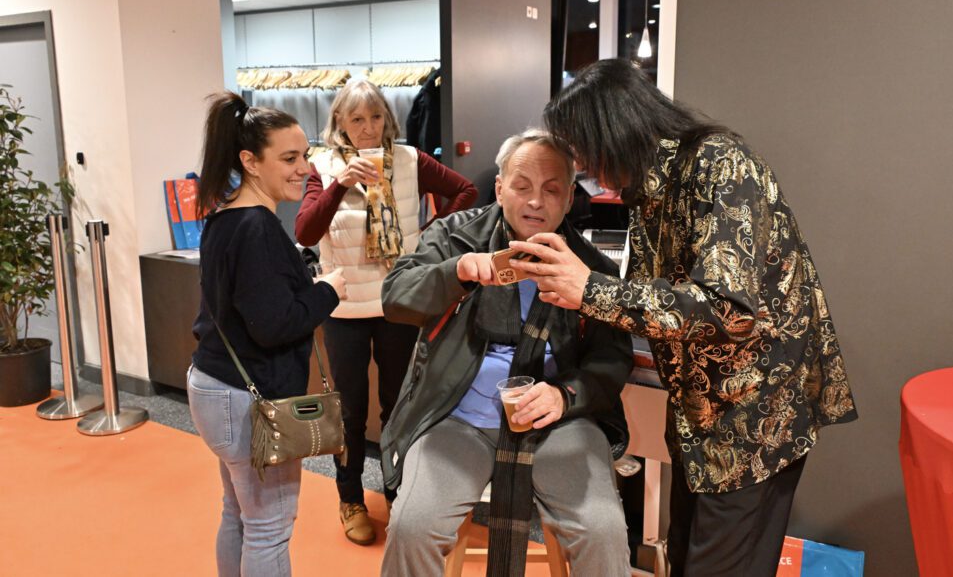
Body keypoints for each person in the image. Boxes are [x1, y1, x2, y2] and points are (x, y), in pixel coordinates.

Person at [511, 59, 858, 577]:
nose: (583, 165)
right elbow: (657, 297)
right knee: (688, 554)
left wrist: (591, 290)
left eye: (583, 148)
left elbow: (727, 307)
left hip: (754, 416)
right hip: (701, 416)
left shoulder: (720, 164)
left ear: (614, 130)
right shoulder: (649, 189)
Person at [377, 129, 634, 577]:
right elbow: (396, 298)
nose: (535, 201)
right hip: (456, 417)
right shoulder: (456, 236)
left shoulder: (592, 268)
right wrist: (455, 273)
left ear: (569, 199)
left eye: (551, 189)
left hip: (559, 424)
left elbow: (611, 359)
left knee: (603, 531)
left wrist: (565, 396)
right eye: (521, 186)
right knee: (412, 526)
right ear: (499, 189)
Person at [294, 79, 477, 545]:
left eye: (376, 117)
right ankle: (350, 497)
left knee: (400, 405)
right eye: (357, 119)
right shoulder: (323, 166)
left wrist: (431, 238)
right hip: (344, 308)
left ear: (387, 119)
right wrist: (341, 183)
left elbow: (465, 191)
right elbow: (306, 232)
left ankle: (399, 493)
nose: (368, 128)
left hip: (399, 301)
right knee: (350, 411)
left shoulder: (411, 160)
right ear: (340, 122)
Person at [188, 92, 348, 576]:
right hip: (246, 397)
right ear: (250, 161)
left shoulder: (224, 216)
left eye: (305, 155)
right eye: (289, 158)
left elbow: (250, 304)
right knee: (268, 527)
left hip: (217, 386)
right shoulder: (256, 227)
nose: (304, 169)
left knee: (239, 513)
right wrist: (328, 292)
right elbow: (273, 325)